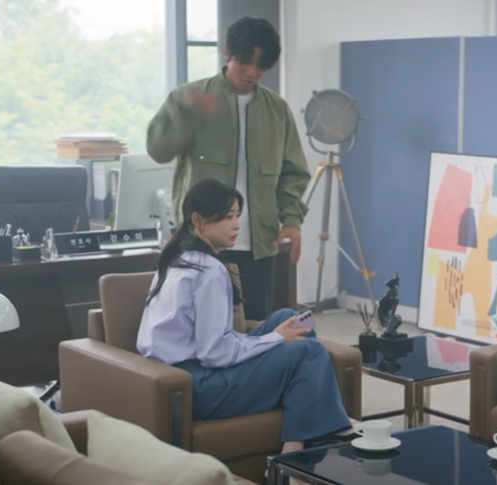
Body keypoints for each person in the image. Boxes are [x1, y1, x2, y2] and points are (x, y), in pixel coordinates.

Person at [136, 178, 350, 453]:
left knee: (292, 318)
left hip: (178, 377)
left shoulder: (176, 256)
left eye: (238, 215)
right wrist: (275, 338)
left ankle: (304, 425)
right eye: (228, 217)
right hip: (198, 386)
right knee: (310, 351)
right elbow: (214, 353)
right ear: (199, 220)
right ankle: (294, 451)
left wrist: (275, 336)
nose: (237, 224)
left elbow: (211, 345)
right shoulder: (209, 270)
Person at [146, 16, 310, 322]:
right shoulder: (190, 97)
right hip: (201, 242)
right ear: (227, 52)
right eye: (245, 61)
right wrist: (183, 112)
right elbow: (158, 150)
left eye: (262, 65)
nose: (252, 72)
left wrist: (292, 219)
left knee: (258, 328)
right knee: (204, 327)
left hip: (260, 245)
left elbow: (293, 172)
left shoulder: (277, 109)